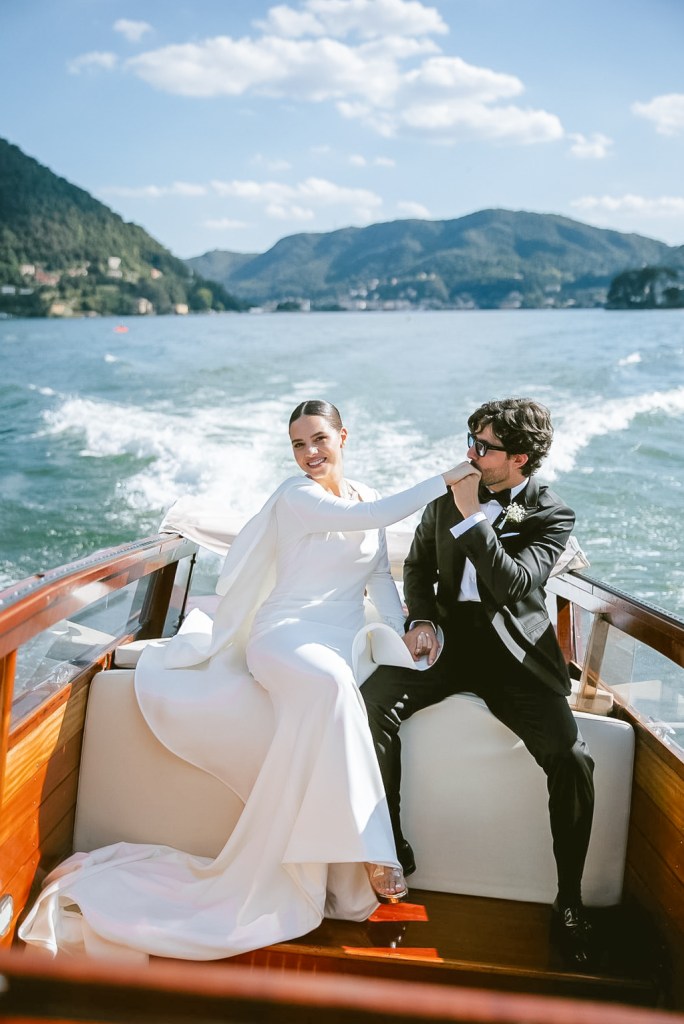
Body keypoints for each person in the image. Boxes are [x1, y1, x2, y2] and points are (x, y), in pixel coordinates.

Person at [19, 400, 465, 962]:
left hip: (344, 637)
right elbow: (373, 518)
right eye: (299, 444)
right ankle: (377, 854)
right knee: (330, 687)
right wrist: (448, 477)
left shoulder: (360, 493)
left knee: (337, 688)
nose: (310, 454)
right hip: (283, 635)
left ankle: (344, 860)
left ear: (344, 437)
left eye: (320, 440)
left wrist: (407, 629)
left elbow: (377, 574)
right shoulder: (297, 495)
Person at [361, 398, 596, 967]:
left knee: (572, 758)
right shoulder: (451, 493)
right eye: (470, 438)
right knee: (369, 704)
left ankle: (569, 899)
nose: (470, 454)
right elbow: (417, 565)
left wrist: (470, 514)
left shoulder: (551, 513)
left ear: (519, 458)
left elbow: (514, 585)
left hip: (516, 654)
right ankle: (390, 850)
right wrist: (420, 620)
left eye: (484, 447)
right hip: (449, 643)